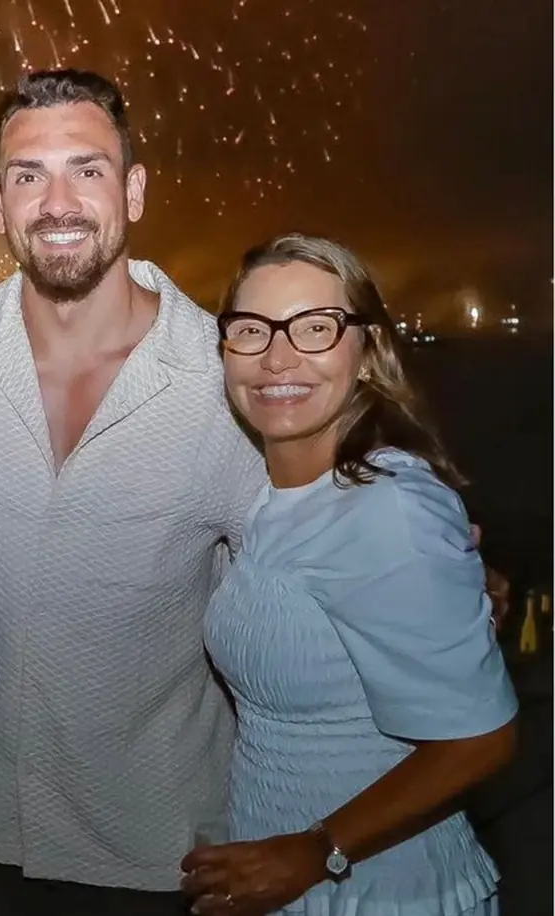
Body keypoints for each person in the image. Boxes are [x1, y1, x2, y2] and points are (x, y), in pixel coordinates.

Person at [0, 69, 265, 915]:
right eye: (29, 175)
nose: (57, 203)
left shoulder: (227, 378)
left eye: (86, 169)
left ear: (132, 192)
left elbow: (297, 582)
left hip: (167, 854)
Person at [181, 234, 517, 915]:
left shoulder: (388, 506)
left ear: (367, 352)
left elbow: (482, 737)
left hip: (385, 889)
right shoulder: (272, 496)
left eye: (315, 328)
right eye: (252, 330)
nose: (278, 356)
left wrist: (317, 848)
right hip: (284, 880)